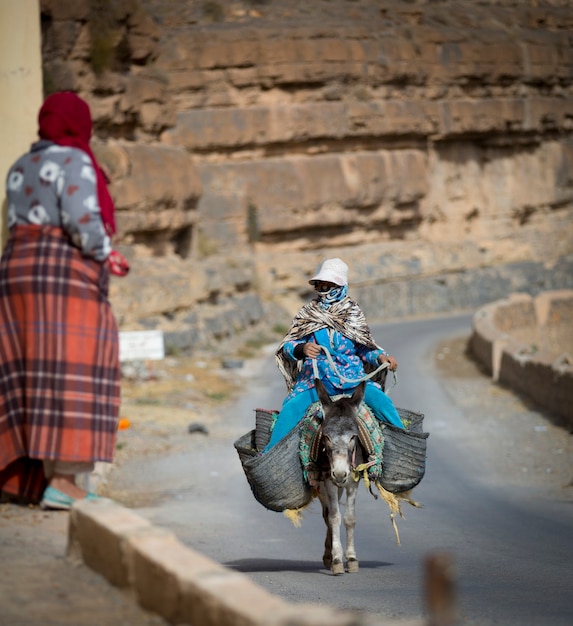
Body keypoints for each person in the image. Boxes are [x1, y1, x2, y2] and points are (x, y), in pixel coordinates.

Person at [0, 91, 128, 510]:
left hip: (17, 273)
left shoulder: (20, 165)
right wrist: (105, 251)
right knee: (79, 368)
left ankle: (28, 480)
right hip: (61, 275)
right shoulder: (74, 160)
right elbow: (81, 220)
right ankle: (66, 482)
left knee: (32, 374)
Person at [266, 257, 404, 450]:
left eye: (330, 284)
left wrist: (381, 357)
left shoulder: (353, 313)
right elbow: (288, 347)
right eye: (321, 284)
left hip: (353, 381)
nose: (324, 288)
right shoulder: (308, 313)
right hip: (316, 382)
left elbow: (364, 348)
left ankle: (403, 449)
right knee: (290, 410)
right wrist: (301, 349)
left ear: (341, 285)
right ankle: (269, 456)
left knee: (384, 404)